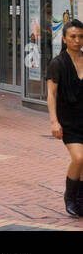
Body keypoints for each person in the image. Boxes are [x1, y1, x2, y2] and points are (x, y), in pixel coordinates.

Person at [47, 19, 83, 216]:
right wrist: (54, 121)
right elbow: (51, 94)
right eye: (73, 36)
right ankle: (70, 196)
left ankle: (80, 200)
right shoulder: (57, 63)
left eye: (80, 36)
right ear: (64, 39)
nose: (77, 40)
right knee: (79, 158)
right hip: (69, 120)